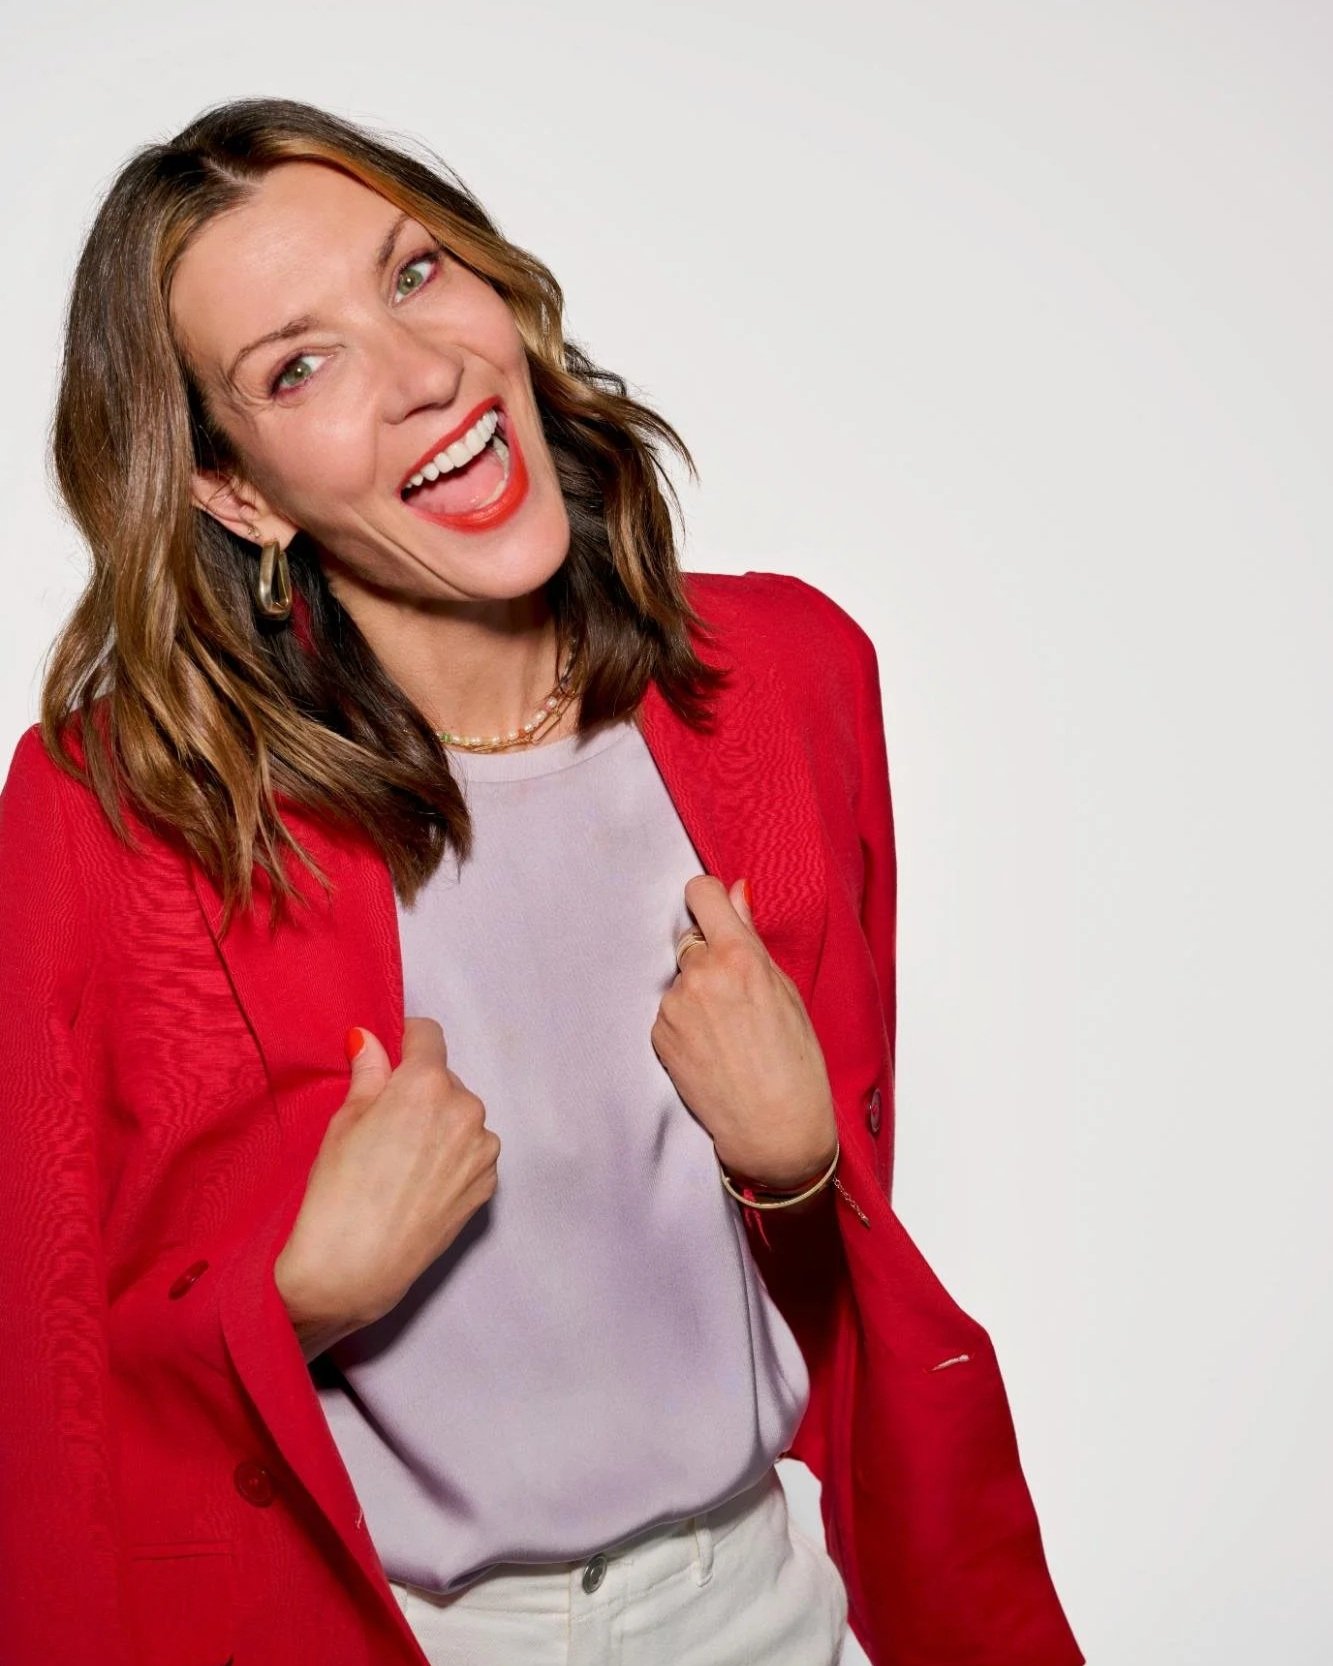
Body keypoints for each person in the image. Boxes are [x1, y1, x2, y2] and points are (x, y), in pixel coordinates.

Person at [0, 97, 1084, 1666]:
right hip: (400, 1633)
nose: (422, 371)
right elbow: (49, 1375)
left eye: (416, 274)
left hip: (763, 1606)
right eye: (298, 366)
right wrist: (296, 1290)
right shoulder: (116, 809)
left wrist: (791, 1166)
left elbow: (823, 1270)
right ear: (238, 492)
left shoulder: (782, 679)